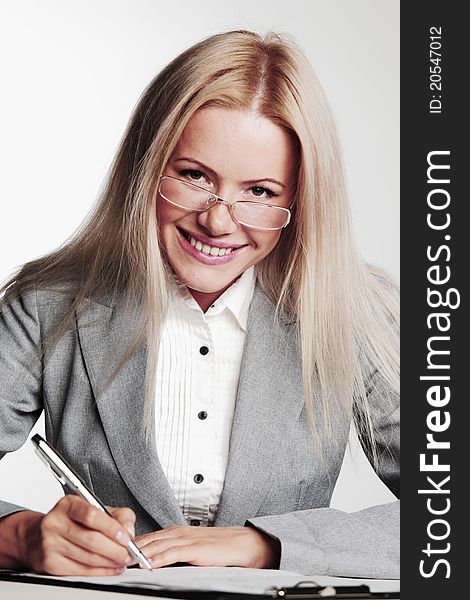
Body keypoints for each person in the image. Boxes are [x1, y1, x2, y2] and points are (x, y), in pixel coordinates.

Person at [0, 30, 399, 579]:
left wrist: (267, 545)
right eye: (193, 176)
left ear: (299, 200)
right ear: (146, 168)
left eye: (259, 192)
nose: (217, 221)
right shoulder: (47, 304)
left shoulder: (358, 312)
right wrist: (17, 536)